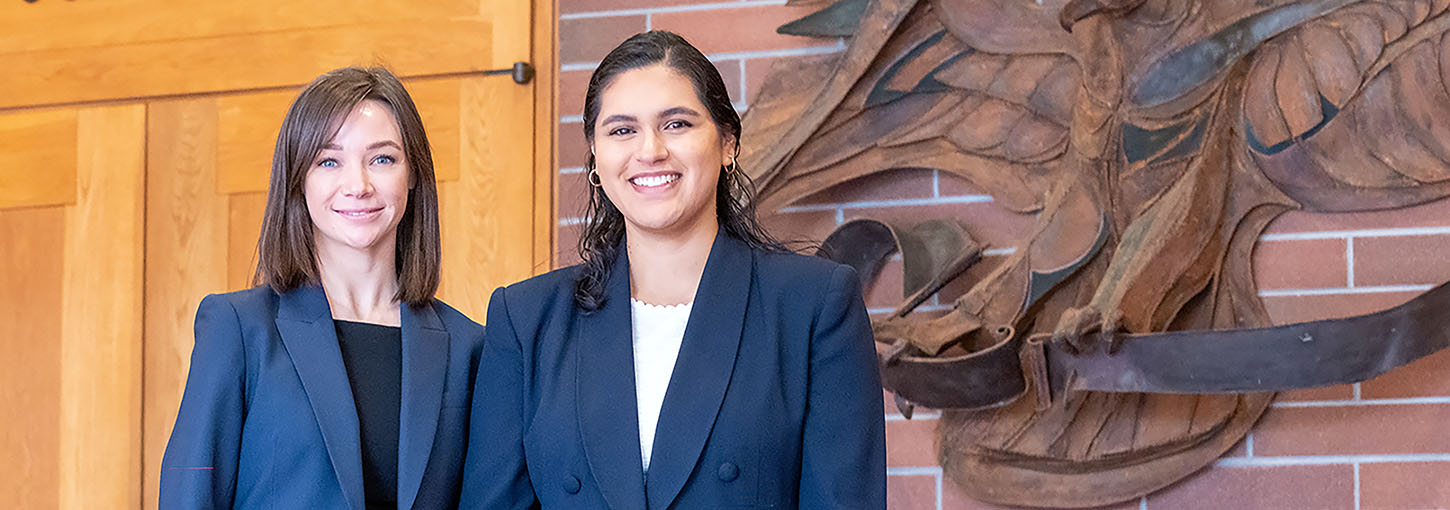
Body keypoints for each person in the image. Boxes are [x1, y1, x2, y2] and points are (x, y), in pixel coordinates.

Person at [461, 31, 885, 509]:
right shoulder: (526, 319)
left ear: (728, 143)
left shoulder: (814, 305)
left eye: (677, 124)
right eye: (622, 130)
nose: (650, 151)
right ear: (596, 159)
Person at [159, 67, 483, 510]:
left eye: (382, 159)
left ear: (413, 174)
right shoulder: (239, 330)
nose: (358, 186)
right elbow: (189, 496)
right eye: (328, 161)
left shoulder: (470, 348)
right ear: (299, 180)